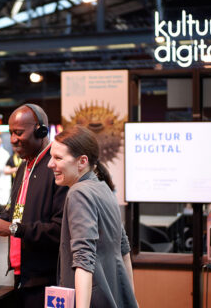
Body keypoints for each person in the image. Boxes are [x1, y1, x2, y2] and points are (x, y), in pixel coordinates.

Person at [0, 104, 68, 308]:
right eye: (11, 133)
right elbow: (16, 215)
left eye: (18, 133)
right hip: (22, 278)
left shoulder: (56, 167)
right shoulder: (24, 166)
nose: (13, 139)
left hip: (48, 281)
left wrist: (12, 228)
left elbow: (60, 230)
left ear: (41, 130)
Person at [47, 125, 137, 308]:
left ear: (82, 162)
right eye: (51, 157)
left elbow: (83, 260)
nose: (50, 164)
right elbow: (124, 250)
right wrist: (131, 299)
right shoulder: (104, 188)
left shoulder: (79, 193)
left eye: (58, 158)